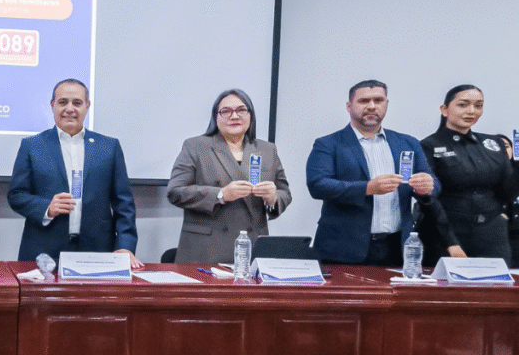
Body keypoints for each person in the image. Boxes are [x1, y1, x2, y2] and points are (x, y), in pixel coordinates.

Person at [8, 79, 141, 268]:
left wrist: (125, 246)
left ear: (87, 106)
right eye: (63, 102)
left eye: (77, 103)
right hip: (43, 251)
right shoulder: (32, 146)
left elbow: (124, 204)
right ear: (53, 105)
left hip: (98, 251)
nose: (69, 109)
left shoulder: (109, 147)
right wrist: (47, 207)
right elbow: (16, 195)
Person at [306, 80, 439, 265]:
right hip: (343, 248)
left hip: (397, 247)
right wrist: (367, 188)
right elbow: (318, 185)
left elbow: (434, 184)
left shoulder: (408, 143)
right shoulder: (328, 144)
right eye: (363, 101)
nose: (371, 106)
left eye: (378, 100)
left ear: (387, 104)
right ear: (349, 106)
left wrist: (426, 187)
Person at [167, 89, 292, 263]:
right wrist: (221, 194)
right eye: (226, 111)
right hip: (206, 250)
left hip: (251, 246)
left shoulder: (267, 149)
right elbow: (175, 192)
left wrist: (273, 197)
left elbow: (285, 193)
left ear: (250, 115)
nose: (234, 116)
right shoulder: (195, 146)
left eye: (241, 110)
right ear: (215, 117)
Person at [417, 85, 517, 263]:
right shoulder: (429, 145)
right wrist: (450, 241)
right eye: (463, 105)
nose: (471, 111)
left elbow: (507, 193)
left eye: (478, 105)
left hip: (491, 234)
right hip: (447, 233)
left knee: (497, 281)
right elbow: (429, 199)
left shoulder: (493, 144)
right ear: (445, 109)